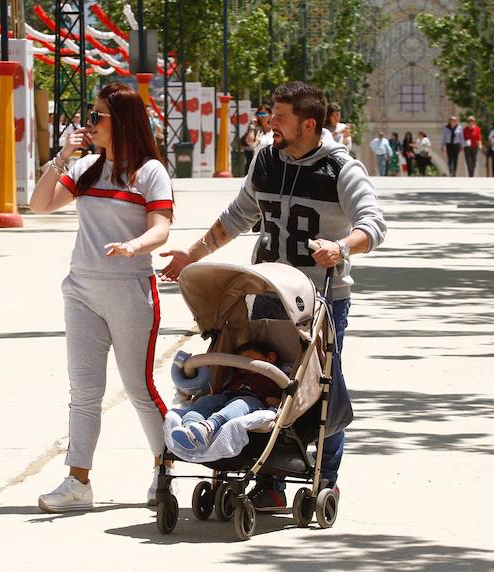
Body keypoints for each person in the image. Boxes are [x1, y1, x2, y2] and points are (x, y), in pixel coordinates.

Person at [160, 81, 387, 511]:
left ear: (309, 123)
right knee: (265, 384)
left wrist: (340, 248)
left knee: (320, 386)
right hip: (265, 291)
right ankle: (269, 481)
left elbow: (373, 224)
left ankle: (326, 477)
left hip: (320, 298)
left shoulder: (342, 168)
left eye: (280, 118)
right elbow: (237, 216)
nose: (271, 124)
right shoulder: (265, 159)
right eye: (271, 116)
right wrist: (190, 254)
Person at [31, 83, 175, 513]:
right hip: (82, 291)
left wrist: (136, 246)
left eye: (97, 117)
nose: (89, 124)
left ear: (122, 121)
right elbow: (38, 205)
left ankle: (164, 467)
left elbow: (161, 227)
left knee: (139, 388)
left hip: (131, 290)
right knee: (84, 391)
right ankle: (78, 482)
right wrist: (61, 157)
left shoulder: (150, 172)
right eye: (89, 117)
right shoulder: (87, 168)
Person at [170, 341, 282, 449]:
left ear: (270, 357)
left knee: (239, 404)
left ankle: (209, 427)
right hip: (228, 396)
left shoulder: (277, 374)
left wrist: (277, 400)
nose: (244, 367)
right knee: (205, 401)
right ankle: (189, 426)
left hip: (256, 400)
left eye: (248, 359)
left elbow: (286, 390)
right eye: (241, 364)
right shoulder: (238, 376)